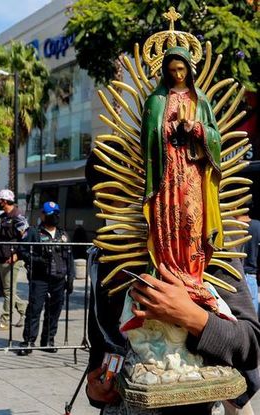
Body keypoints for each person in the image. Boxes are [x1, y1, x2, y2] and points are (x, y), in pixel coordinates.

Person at [84, 152, 260, 414]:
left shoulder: (209, 252)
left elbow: (249, 345)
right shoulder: (106, 257)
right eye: (106, 201)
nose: (115, 211)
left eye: (126, 196)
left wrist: (192, 317)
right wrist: (95, 390)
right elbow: (101, 345)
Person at [141, 46, 223, 312]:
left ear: (189, 69)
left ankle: (191, 276)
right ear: (165, 71)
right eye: (172, 70)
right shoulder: (156, 101)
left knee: (192, 221)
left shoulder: (200, 101)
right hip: (166, 174)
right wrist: (168, 128)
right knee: (168, 221)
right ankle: (168, 273)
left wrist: (196, 128)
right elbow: (147, 138)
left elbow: (215, 137)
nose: (177, 74)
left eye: (182, 69)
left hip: (191, 173)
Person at [17, 201, 75, 355]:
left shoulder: (63, 235)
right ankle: (28, 341)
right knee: (34, 309)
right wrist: (36, 260)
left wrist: (71, 277)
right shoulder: (34, 232)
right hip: (39, 278)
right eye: (50, 214)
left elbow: (69, 257)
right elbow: (21, 250)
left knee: (54, 311)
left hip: (58, 279)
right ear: (43, 215)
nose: (53, 217)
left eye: (56, 214)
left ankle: (48, 340)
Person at [0, 189, 28, 330]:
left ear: (5, 201)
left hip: (12, 258)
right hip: (1, 256)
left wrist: (17, 254)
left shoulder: (18, 216)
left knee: (8, 291)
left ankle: (5, 320)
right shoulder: (2, 217)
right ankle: (24, 310)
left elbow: (26, 238)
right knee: (3, 291)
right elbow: (2, 235)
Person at [236, 205, 260, 315]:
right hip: (251, 277)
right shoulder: (258, 226)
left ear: (235, 207)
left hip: (234, 278)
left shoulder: (232, 226)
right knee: (252, 319)